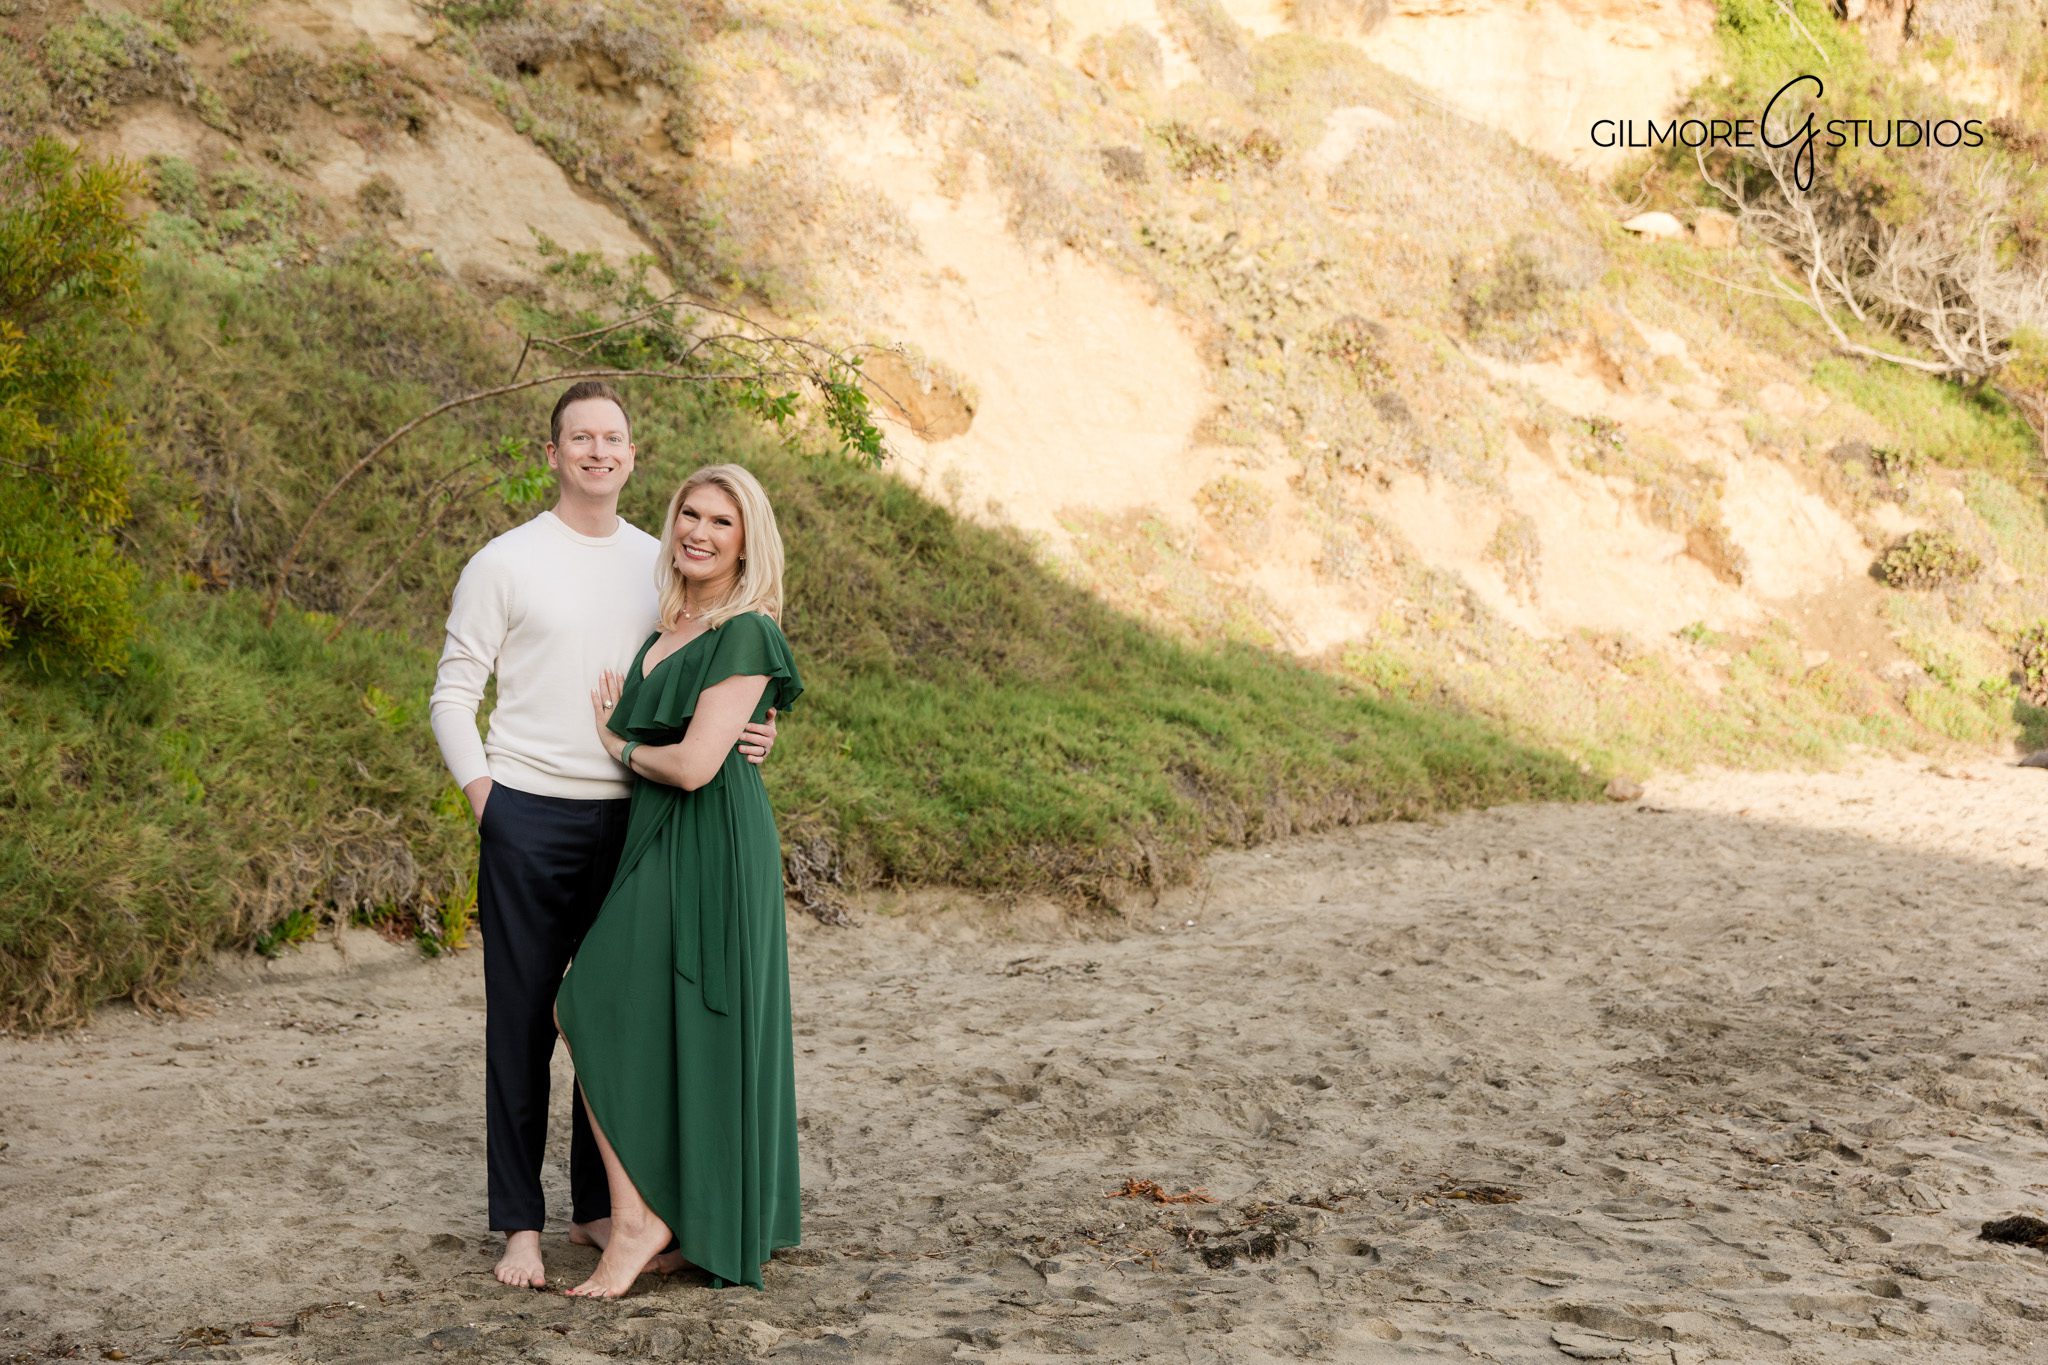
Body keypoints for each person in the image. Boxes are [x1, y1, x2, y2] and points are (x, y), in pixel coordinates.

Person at [429, 383, 780, 1289]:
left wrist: (753, 729)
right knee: (522, 1025)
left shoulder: (657, 565)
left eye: (612, 437)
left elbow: (707, 667)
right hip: (527, 812)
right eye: (579, 437)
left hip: (638, 820)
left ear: (631, 454)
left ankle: (598, 1209)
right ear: (553, 453)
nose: (597, 450)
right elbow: (453, 693)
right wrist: (489, 802)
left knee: (617, 1016)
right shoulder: (503, 562)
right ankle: (519, 1227)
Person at [554, 463, 804, 1296]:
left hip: (709, 838)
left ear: (748, 542)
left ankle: (637, 1220)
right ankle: (680, 1216)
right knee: (642, 1011)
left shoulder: (747, 629)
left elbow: (696, 766)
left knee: (587, 999)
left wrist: (617, 744)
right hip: (656, 832)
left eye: (721, 522)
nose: (699, 531)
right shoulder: (673, 620)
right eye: (690, 514)